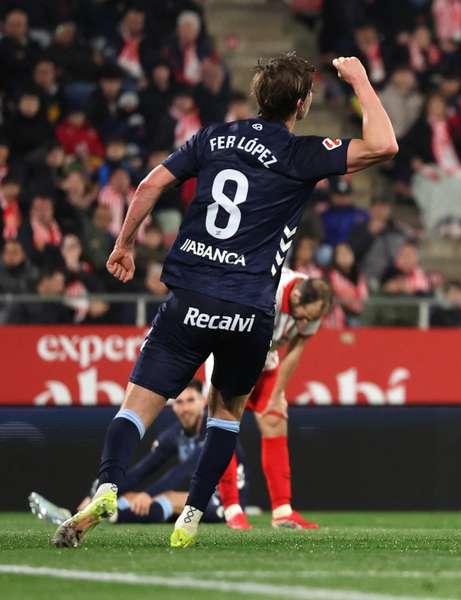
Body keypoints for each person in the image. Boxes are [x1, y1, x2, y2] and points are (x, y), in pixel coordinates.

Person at [51, 52, 397, 549]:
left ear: (258, 96)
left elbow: (150, 184)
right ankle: (192, 516)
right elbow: (384, 145)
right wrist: (360, 79)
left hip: (190, 295)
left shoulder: (213, 137)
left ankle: (107, 487)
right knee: (226, 414)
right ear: (301, 105)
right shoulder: (300, 153)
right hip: (249, 309)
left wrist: (123, 244)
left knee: (137, 406)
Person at [30, 381, 244, 527]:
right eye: (179, 402)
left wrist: (148, 494)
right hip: (201, 496)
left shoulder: (214, 431)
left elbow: (183, 471)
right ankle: (80, 513)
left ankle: (99, 517)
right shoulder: (174, 434)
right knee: (133, 497)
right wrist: (103, 493)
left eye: (191, 401)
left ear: (204, 402)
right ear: (173, 406)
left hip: (229, 502)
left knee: (167, 498)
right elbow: (142, 470)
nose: (185, 408)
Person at [213, 271, 331, 531]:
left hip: (266, 354)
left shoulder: (313, 305)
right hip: (231, 352)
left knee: (275, 420)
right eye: (303, 317)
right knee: (226, 425)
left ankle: (282, 511)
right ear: (295, 296)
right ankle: (232, 509)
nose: (305, 323)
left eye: (311, 320)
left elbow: (296, 348)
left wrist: (276, 395)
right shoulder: (266, 290)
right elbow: (239, 336)